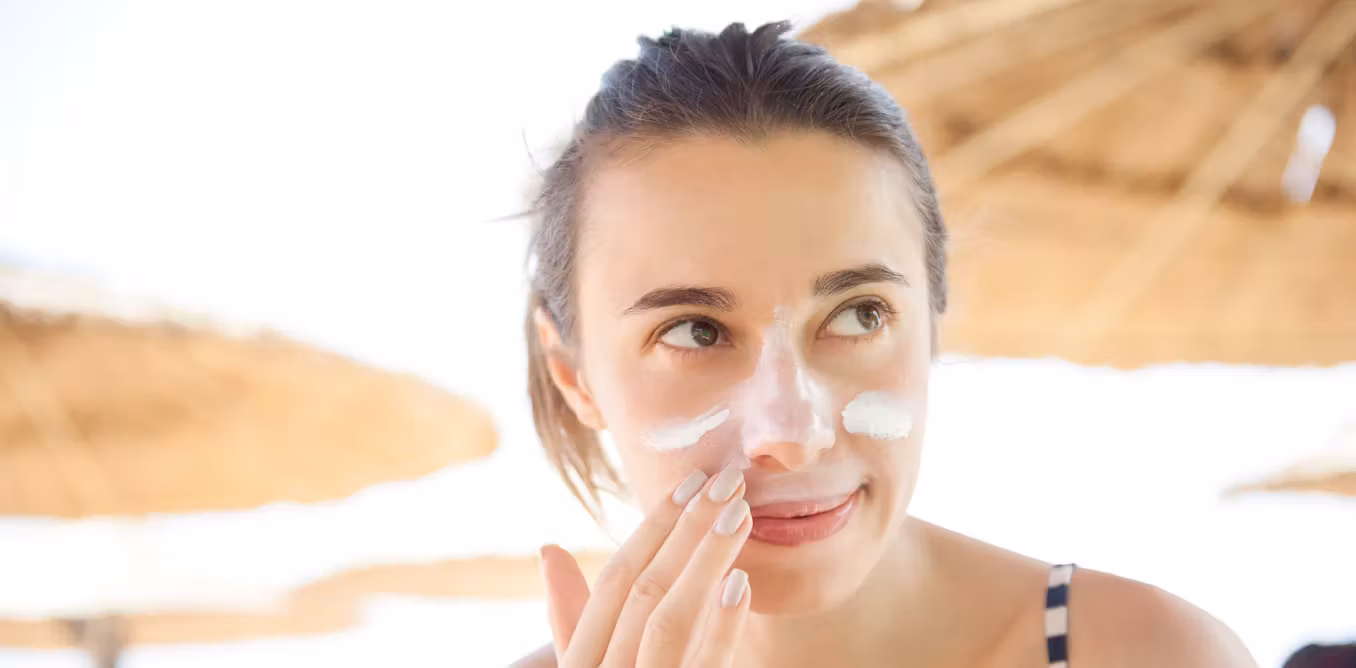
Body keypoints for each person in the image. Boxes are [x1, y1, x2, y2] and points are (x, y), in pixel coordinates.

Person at [514, 21, 1256, 668]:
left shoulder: (1155, 654)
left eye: (859, 315)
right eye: (694, 331)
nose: (792, 435)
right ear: (574, 377)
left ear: (931, 320)